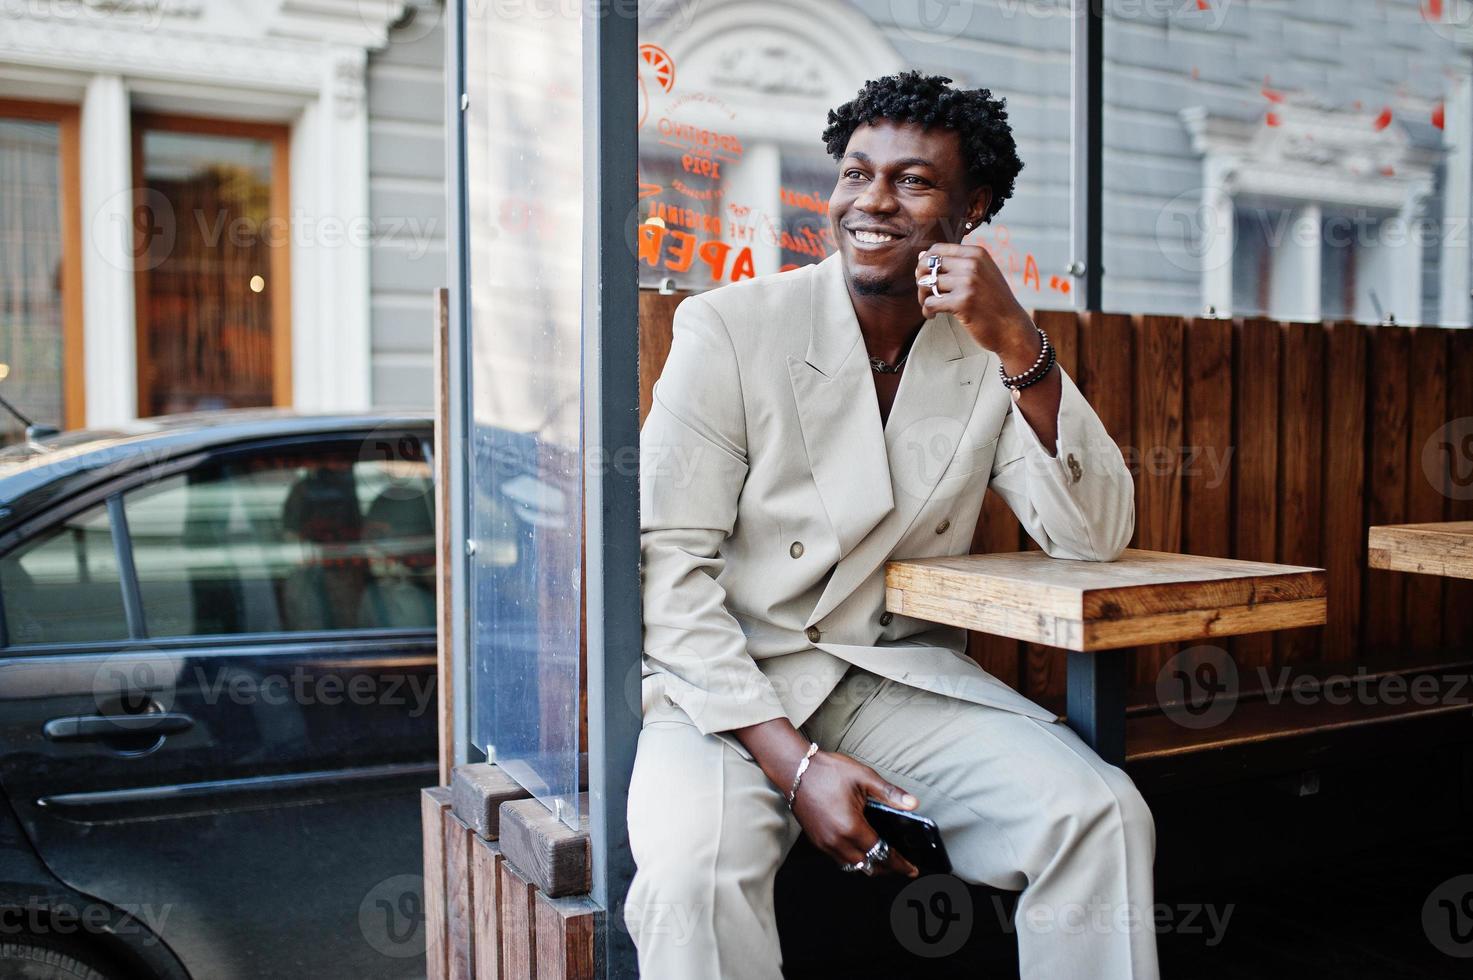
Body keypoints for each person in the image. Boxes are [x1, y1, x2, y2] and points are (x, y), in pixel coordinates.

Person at [625, 71, 1158, 980]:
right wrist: (793, 767)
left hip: (885, 679)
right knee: (691, 877)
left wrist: (1022, 346)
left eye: (912, 181)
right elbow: (666, 567)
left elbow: (1092, 535)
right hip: (723, 689)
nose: (871, 201)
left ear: (973, 205)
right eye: (855, 173)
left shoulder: (988, 348)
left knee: (1099, 813)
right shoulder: (729, 326)